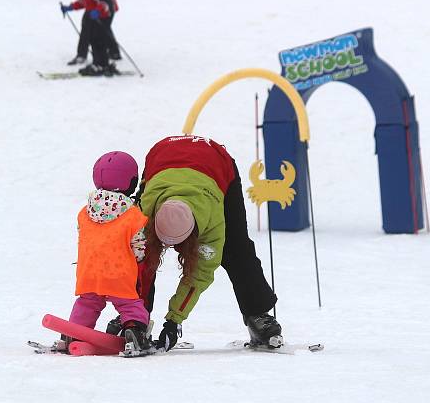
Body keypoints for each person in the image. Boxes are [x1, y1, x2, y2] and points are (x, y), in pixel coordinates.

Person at [135, 135, 283, 351]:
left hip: (215, 162)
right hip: (162, 157)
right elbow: (139, 263)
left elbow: (200, 273)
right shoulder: (144, 214)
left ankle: (258, 315)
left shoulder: (213, 223)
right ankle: (135, 315)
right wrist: (134, 319)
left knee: (235, 246)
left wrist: (174, 321)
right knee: (140, 252)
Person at [67, 151, 151, 352]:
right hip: (118, 274)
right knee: (130, 305)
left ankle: (73, 332)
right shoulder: (133, 215)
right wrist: (138, 260)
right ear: (131, 182)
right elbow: (139, 247)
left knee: (87, 304)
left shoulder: (84, 213)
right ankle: (134, 330)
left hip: (88, 272)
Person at [60, 0, 119, 77]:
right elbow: (84, 2)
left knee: (98, 37)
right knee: (93, 37)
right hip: (94, 12)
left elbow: (105, 2)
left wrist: (98, 11)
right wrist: (70, 7)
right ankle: (99, 63)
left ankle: (102, 64)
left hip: (106, 12)